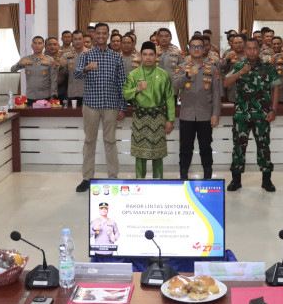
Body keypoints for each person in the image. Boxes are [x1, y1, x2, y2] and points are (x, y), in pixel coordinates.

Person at [74, 23, 128, 192]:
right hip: (91, 105)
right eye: (98, 33)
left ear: (108, 35)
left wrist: (123, 107)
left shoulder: (116, 56)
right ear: (94, 35)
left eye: (105, 33)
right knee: (89, 140)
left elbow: (121, 82)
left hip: (111, 105)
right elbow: (76, 73)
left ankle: (113, 176)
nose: (101, 36)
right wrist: (86, 68)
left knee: (110, 141)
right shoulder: (87, 54)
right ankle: (87, 177)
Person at [223, 37, 280, 192]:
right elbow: (226, 83)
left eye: (255, 48)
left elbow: (276, 87)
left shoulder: (268, 66)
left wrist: (274, 110)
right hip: (241, 114)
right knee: (238, 147)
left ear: (259, 49)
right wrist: (241, 72)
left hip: (262, 114)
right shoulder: (239, 65)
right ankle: (236, 180)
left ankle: (266, 180)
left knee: (264, 146)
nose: (252, 51)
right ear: (245, 50)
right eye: (249, 48)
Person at [122, 41, 175, 178]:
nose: (148, 57)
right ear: (140, 56)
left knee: (158, 153)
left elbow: (169, 98)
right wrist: (137, 89)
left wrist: (170, 119)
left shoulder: (163, 75)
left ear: (156, 56)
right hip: (140, 117)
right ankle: (140, 181)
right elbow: (125, 93)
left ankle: (159, 181)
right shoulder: (134, 74)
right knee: (140, 154)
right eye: (145, 54)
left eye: (151, 54)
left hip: (158, 117)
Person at [173, 36, 222, 179]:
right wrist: (187, 75)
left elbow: (216, 93)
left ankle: (208, 175)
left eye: (199, 46)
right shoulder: (181, 68)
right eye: (193, 46)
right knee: (185, 148)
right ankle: (183, 176)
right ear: (188, 49)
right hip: (187, 115)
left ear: (204, 49)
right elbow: (174, 87)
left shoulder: (212, 69)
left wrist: (216, 114)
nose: (196, 49)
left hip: (205, 115)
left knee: (205, 147)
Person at [10, 36, 58, 104]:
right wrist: (19, 64)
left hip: (45, 96)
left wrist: (53, 95)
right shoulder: (26, 59)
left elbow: (54, 79)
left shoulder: (50, 60)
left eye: (39, 43)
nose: (37, 45)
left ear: (43, 46)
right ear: (32, 46)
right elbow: (12, 70)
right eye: (35, 43)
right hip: (30, 96)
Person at [62, 30, 86, 105]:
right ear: (72, 40)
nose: (78, 41)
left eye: (80, 39)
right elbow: (64, 75)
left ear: (83, 40)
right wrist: (61, 67)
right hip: (72, 93)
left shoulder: (90, 54)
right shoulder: (66, 56)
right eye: (75, 39)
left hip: (87, 94)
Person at [221, 33, 247, 103]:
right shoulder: (228, 55)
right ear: (232, 44)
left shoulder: (250, 55)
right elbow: (221, 68)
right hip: (233, 90)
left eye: (240, 42)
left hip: (248, 89)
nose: (238, 44)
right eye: (235, 43)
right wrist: (227, 59)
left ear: (244, 43)